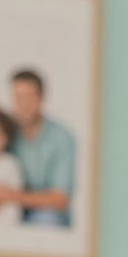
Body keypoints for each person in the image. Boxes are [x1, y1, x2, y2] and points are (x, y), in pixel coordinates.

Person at [8, 68, 77, 227]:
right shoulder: (4, 132)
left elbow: (60, 198)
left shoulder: (62, 138)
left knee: (46, 219)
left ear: (42, 98)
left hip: (47, 217)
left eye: (29, 97)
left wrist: (12, 197)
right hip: (10, 212)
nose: (23, 104)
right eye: (18, 97)